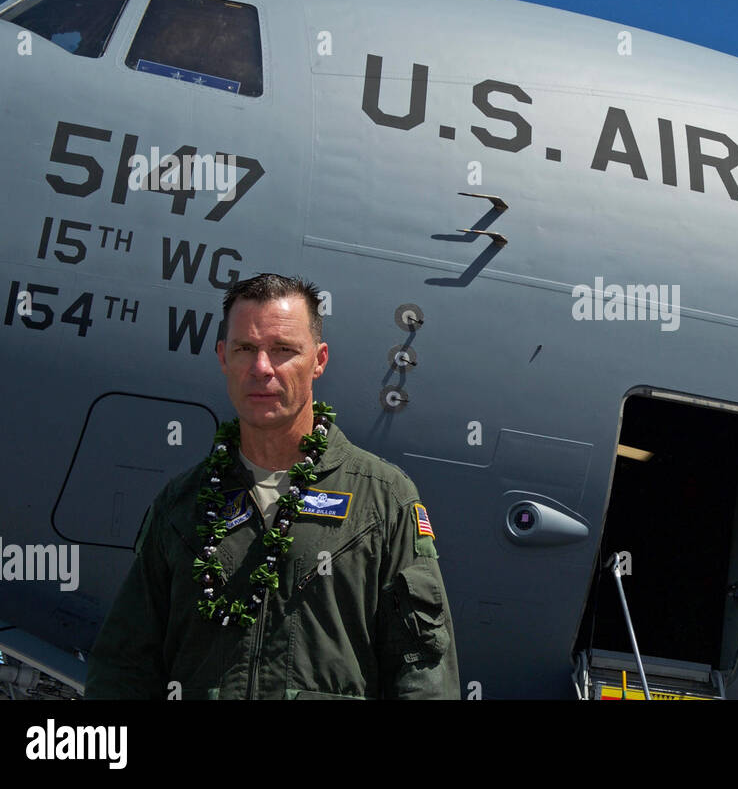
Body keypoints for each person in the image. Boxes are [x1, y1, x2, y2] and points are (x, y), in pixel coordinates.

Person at [85, 274, 459, 699]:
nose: (262, 368)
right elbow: (123, 669)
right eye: (246, 349)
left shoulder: (383, 500)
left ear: (319, 360)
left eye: (283, 350)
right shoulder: (181, 506)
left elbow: (424, 672)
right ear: (223, 357)